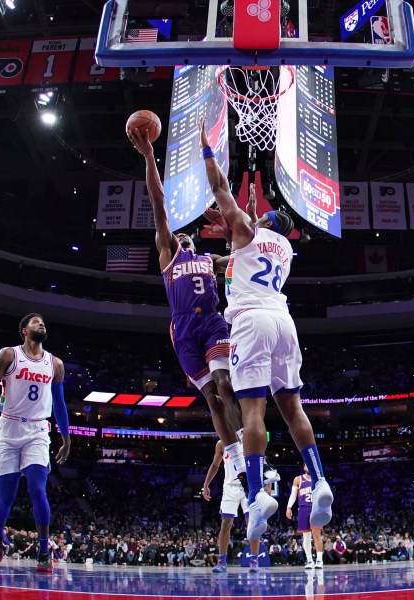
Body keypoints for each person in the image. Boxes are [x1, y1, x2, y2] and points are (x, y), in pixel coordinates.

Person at [199, 118, 333, 542]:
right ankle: (321, 480)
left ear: (262, 223)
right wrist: (245, 219)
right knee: (293, 410)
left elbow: (221, 188)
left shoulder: (245, 231)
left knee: (253, 414)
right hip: (283, 321)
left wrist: (208, 149)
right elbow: (246, 241)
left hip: (251, 322)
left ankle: (256, 495)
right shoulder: (285, 248)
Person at [127, 126, 246, 483]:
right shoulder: (169, 256)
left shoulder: (211, 260)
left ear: (194, 242)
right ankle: (237, 460)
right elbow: (157, 202)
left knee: (225, 383)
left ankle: (248, 448)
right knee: (211, 397)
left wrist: (231, 228)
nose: (181, 237)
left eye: (186, 236)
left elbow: (245, 254)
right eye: (178, 236)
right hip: (183, 329)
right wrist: (149, 156)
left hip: (211, 322)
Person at [0, 313, 70, 572]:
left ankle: (44, 549)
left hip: (37, 430)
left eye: (43, 322)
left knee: (37, 488)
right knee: (6, 494)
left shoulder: (55, 364)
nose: (41, 324)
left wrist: (66, 438)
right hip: (9, 428)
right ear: (24, 330)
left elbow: (60, 403)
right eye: (35, 322)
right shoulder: (9, 355)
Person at [203, 439, 278, 572]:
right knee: (225, 523)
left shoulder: (249, 440)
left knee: (252, 522)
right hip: (229, 487)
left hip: (248, 486)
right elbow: (215, 465)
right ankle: (221, 561)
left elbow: (263, 462)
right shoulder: (222, 444)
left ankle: (254, 560)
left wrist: (268, 485)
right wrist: (206, 484)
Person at [286, 465, 323, 569]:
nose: (309, 466)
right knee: (306, 536)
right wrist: (289, 507)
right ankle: (310, 560)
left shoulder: (319, 479)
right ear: (304, 467)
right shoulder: (298, 479)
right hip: (303, 509)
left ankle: (319, 560)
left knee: (316, 534)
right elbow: (293, 495)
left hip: (315, 509)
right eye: (307, 465)